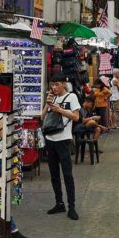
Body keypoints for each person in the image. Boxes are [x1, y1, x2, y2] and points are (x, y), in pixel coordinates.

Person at [0, 113, 29, 238]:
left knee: (0, 194)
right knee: (1, 195)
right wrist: (14, 145)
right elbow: (2, 132)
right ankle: (11, 230)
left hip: (2, 157)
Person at [41, 78, 81, 220]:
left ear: (63, 84)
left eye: (57, 84)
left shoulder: (72, 97)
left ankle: (72, 206)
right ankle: (59, 202)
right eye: (52, 85)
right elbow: (42, 117)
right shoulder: (53, 97)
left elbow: (76, 117)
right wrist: (48, 104)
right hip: (50, 140)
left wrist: (60, 109)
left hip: (63, 140)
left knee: (67, 175)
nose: (54, 87)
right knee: (54, 175)